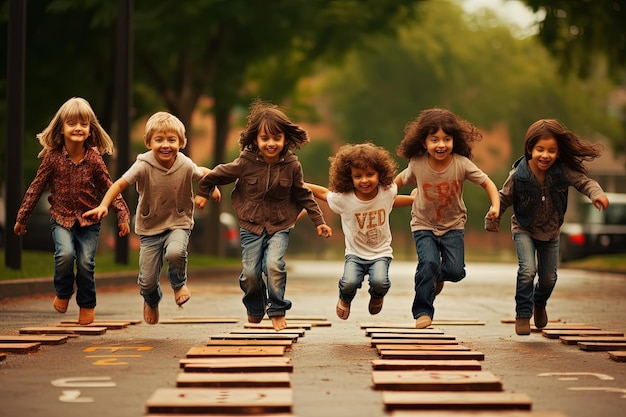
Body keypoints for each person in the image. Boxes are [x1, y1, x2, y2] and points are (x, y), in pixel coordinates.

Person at [194, 99, 332, 331]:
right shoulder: (245, 162)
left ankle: (277, 309)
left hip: (280, 224)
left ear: (285, 139)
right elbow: (217, 174)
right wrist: (203, 193)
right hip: (251, 223)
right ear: (255, 140)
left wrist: (319, 221)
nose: (271, 143)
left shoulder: (292, 165)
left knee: (274, 265)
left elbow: (304, 194)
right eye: (265, 138)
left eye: (276, 138)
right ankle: (255, 306)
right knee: (250, 272)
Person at [83, 112, 220, 325]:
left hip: (178, 223)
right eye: (159, 140)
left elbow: (201, 172)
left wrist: (213, 186)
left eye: (171, 140)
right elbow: (119, 184)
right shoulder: (143, 165)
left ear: (181, 142)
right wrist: (103, 205)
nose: (166, 145)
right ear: (149, 142)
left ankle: (178, 284)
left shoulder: (184, 163)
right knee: (147, 281)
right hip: (150, 227)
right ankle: (151, 299)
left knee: (176, 252)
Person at [485, 119, 609, 335]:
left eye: (552, 151)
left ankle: (539, 303)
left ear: (559, 152)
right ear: (530, 149)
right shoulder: (519, 175)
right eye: (540, 149)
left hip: (551, 231)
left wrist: (596, 193)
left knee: (549, 278)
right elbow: (503, 198)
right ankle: (523, 314)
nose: (545, 155)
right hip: (524, 228)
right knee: (527, 271)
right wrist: (493, 216)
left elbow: (584, 181)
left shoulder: (562, 171)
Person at [14, 97, 131, 325]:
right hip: (61, 218)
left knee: (86, 263)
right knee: (65, 255)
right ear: (62, 128)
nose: (78, 128)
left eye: (84, 124)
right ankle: (64, 291)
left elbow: (109, 187)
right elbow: (36, 187)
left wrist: (122, 215)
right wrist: (22, 217)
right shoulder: (53, 158)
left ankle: (86, 304)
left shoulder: (95, 160)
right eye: (72, 123)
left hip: (90, 220)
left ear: (90, 130)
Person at [394, 108, 500, 329]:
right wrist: (383, 199)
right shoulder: (418, 163)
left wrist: (495, 205)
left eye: (446, 139)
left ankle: (435, 277)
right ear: (424, 143)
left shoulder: (461, 163)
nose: (441, 144)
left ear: (454, 140)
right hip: (423, 224)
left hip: (453, 225)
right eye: (434, 140)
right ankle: (423, 311)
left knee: (455, 271)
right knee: (428, 262)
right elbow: (399, 181)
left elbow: (486, 182)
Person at [305, 142, 414, 320]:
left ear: (380, 173)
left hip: (381, 252)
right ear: (349, 178)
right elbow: (324, 194)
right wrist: (300, 184)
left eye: (370, 174)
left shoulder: (386, 192)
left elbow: (393, 199)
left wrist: (412, 200)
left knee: (380, 282)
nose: (364, 180)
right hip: (355, 254)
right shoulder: (344, 199)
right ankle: (345, 299)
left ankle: (377, 296)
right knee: (349, 283)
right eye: (358, 176)